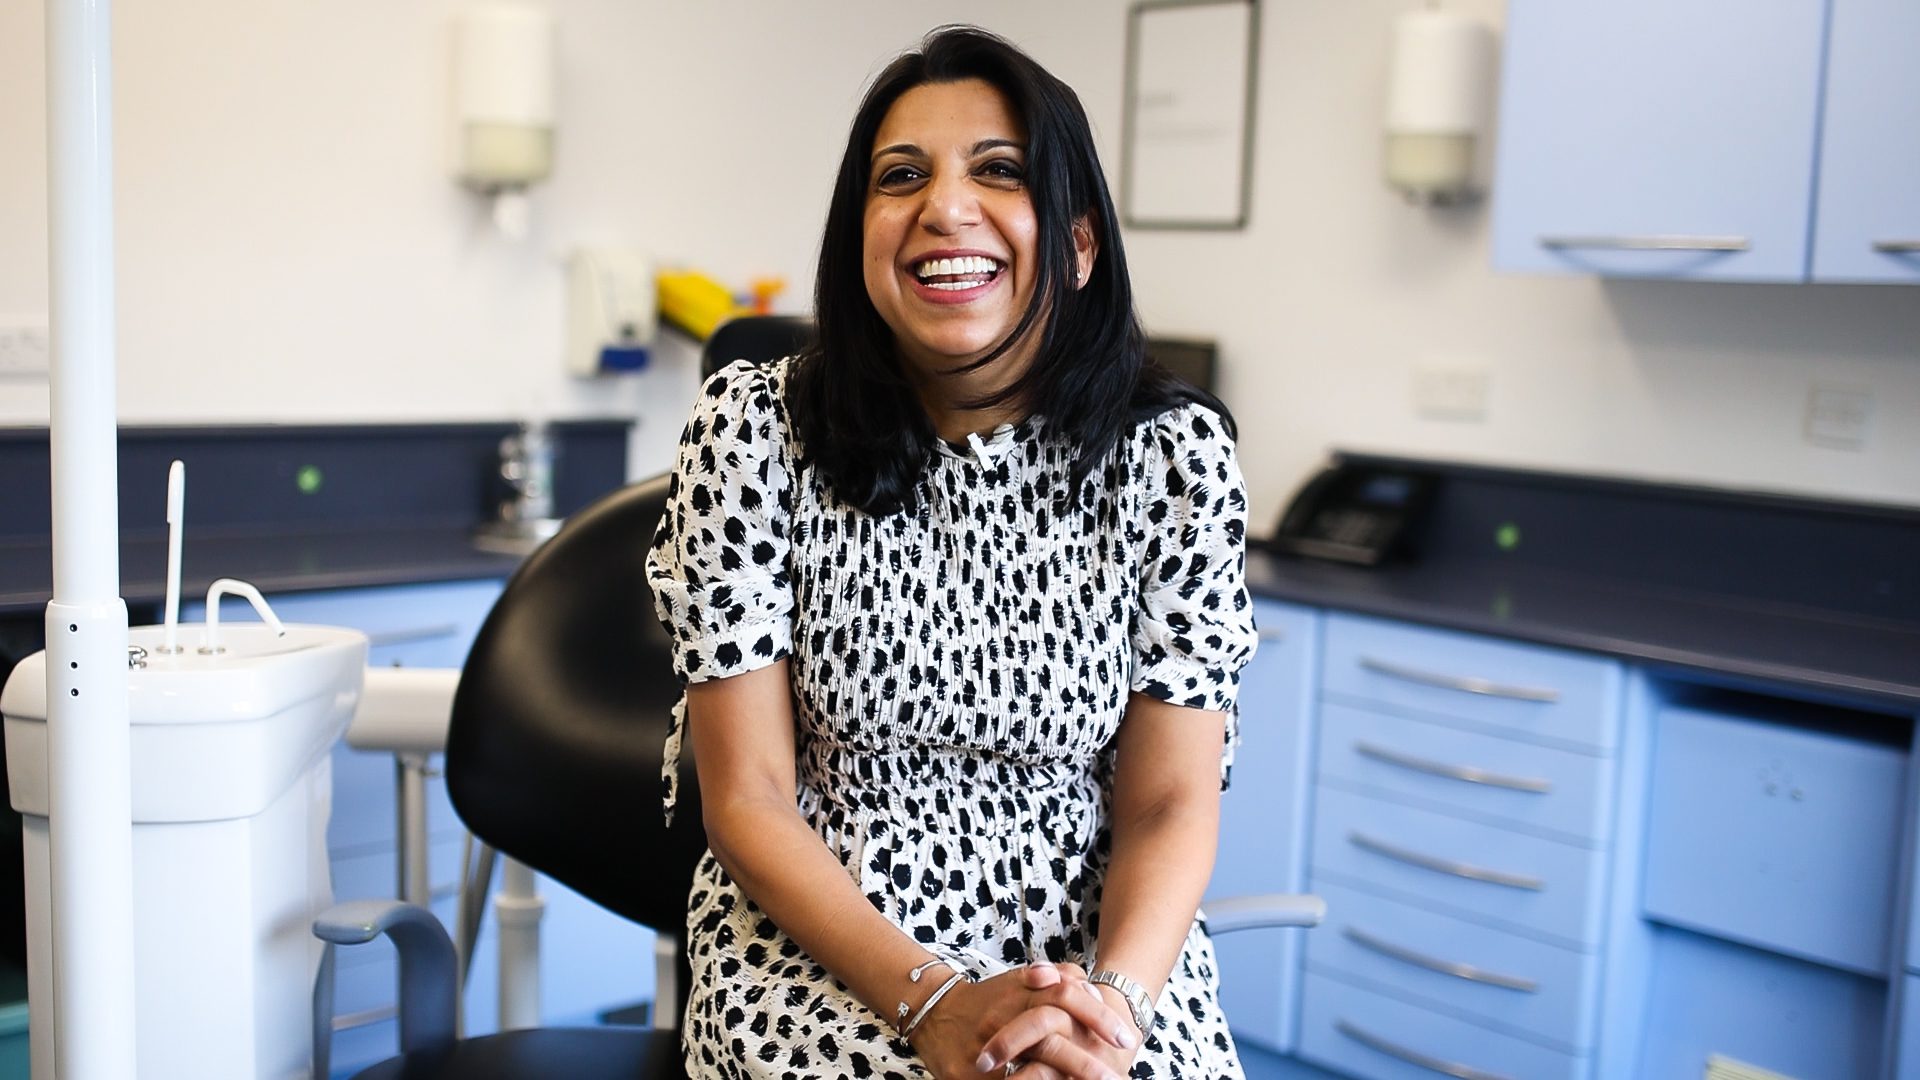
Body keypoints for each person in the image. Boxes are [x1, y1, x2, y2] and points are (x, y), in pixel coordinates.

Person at [647, 25, 1257, 1079]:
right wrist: (931, 1001)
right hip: (823, 955)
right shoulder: (753, 433)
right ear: (861, 239)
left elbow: (1169, 802)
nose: (945, 207)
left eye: (1000, 171)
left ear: (1078, 244)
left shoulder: (1174, 459)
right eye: (901, 177)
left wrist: (1107, 1014)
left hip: (1098, 960)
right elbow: (748, 799)